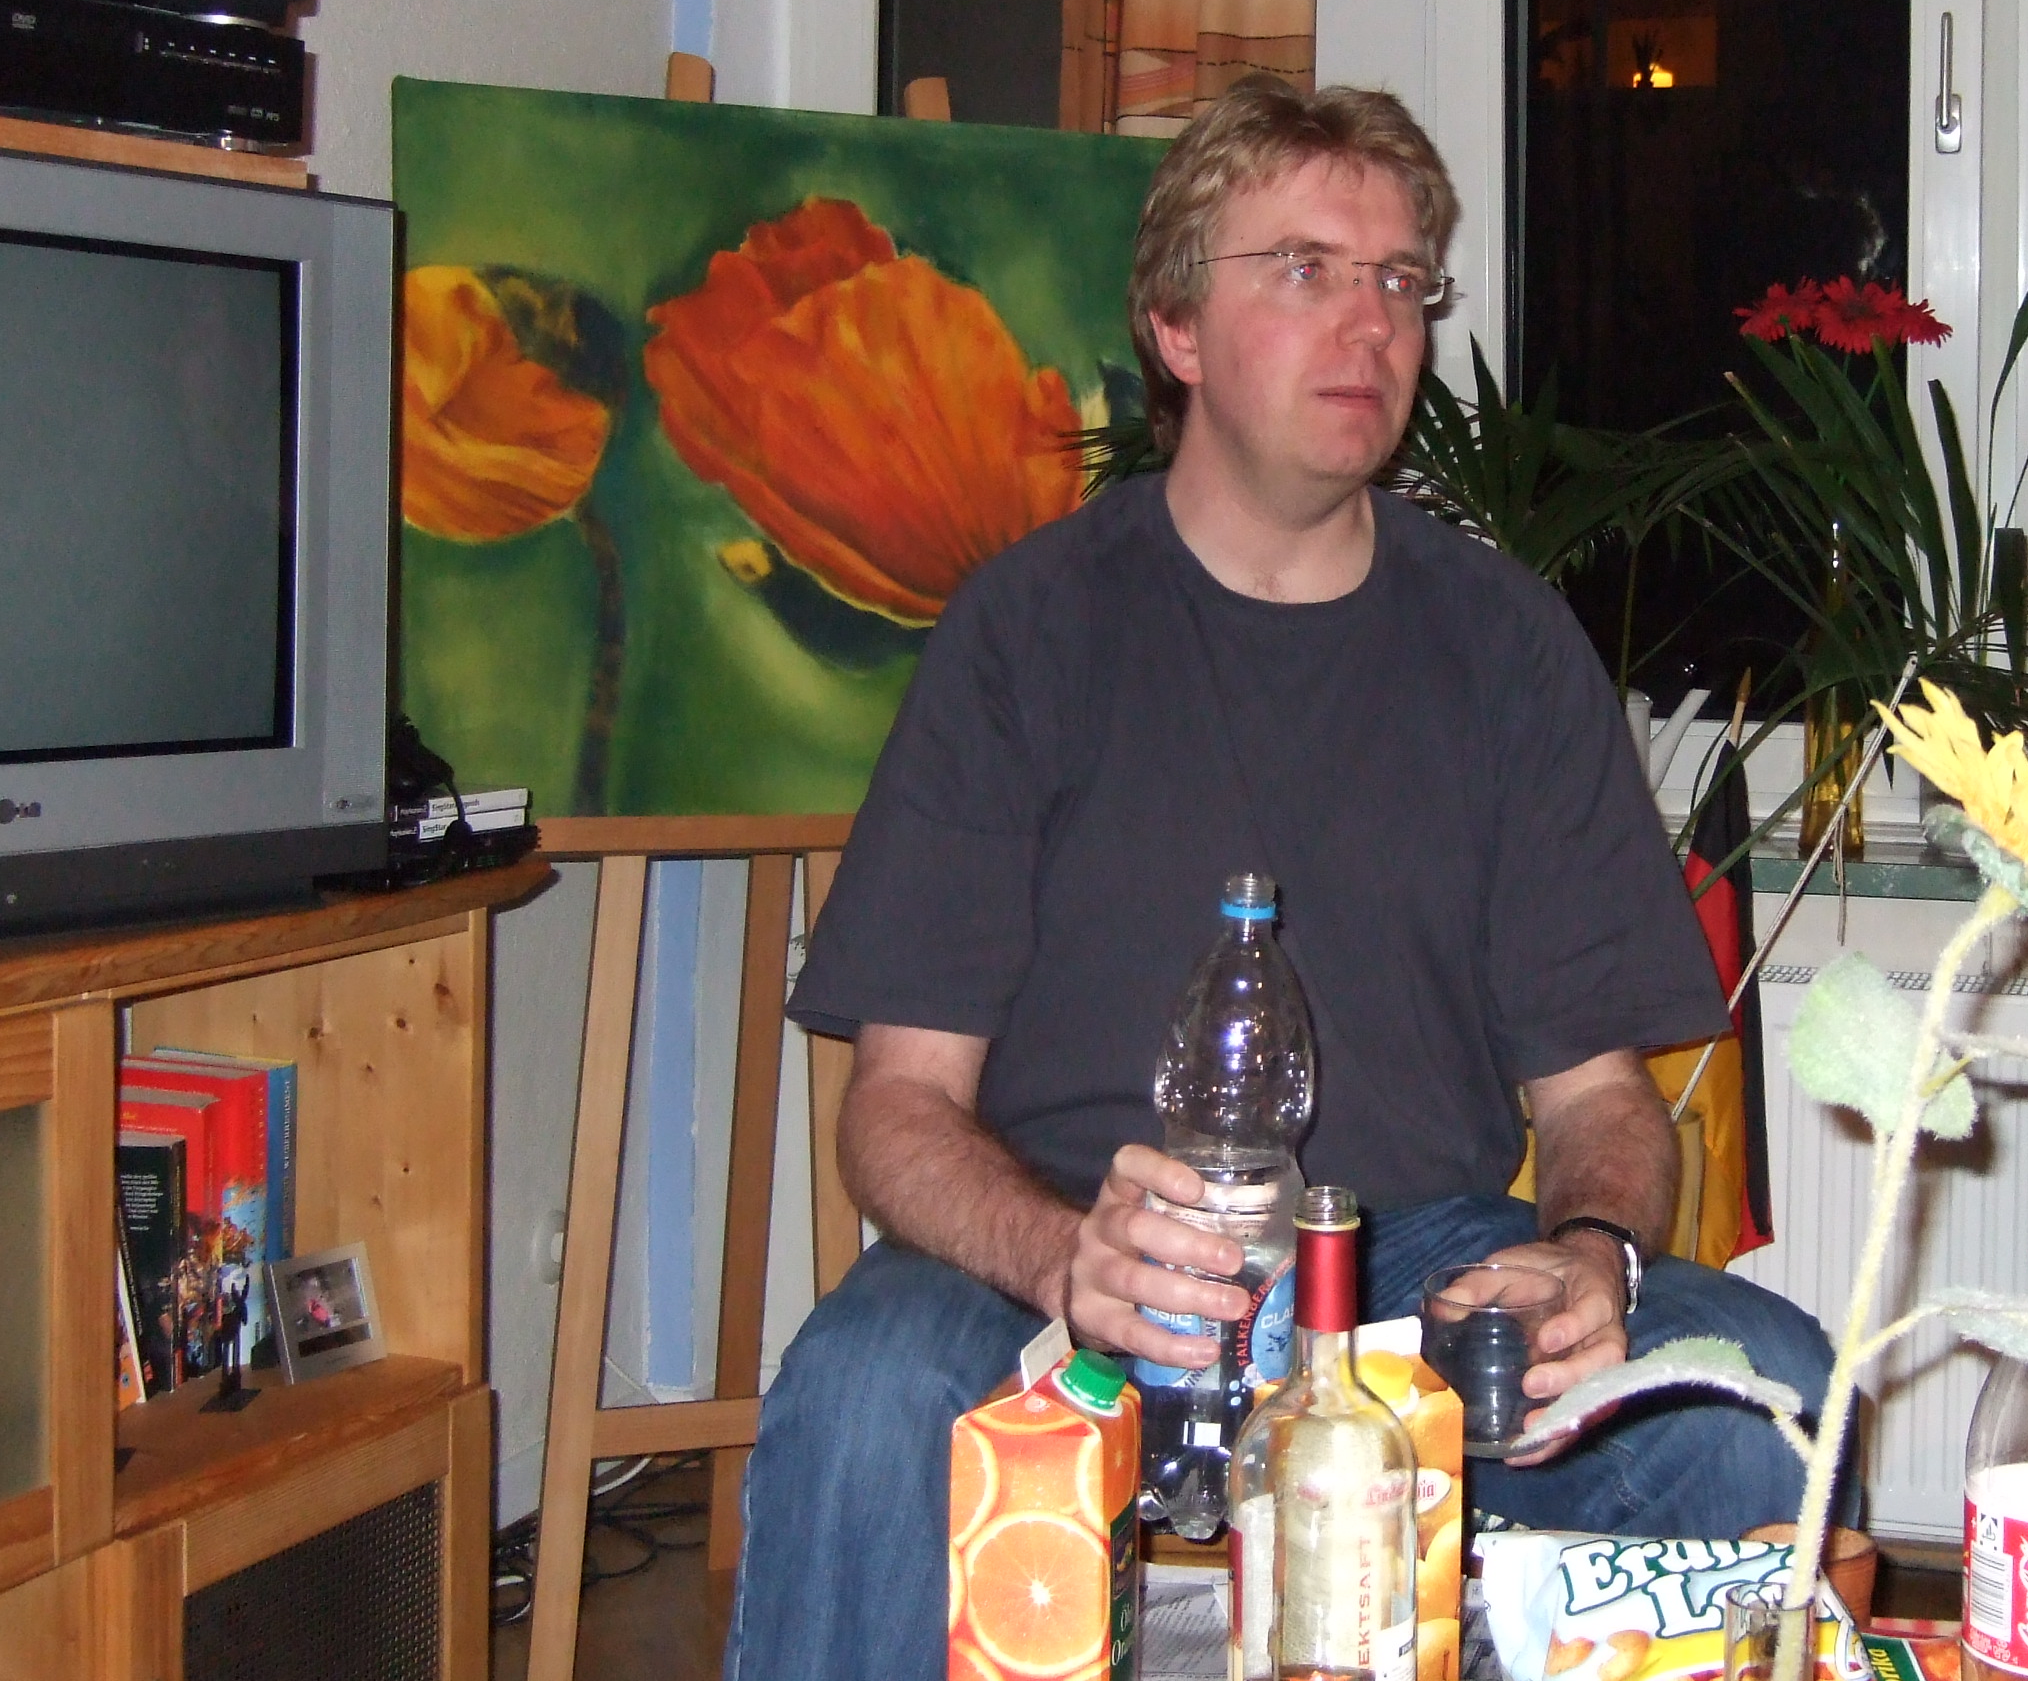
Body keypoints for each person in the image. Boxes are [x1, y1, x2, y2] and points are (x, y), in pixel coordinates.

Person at [726, 80, 1836, 1678]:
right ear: (1177, 328)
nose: (1371, 323)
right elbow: (894, 1109)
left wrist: (1591, 1254)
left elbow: (1603, 1101)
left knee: (1755, 1399)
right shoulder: (1027, 632)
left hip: (1411, 1269)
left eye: (1400, 280)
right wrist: (1063, 1258)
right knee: (866, 1397)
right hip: (1065, 1247)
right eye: (1306, 269)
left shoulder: (1508, 648)